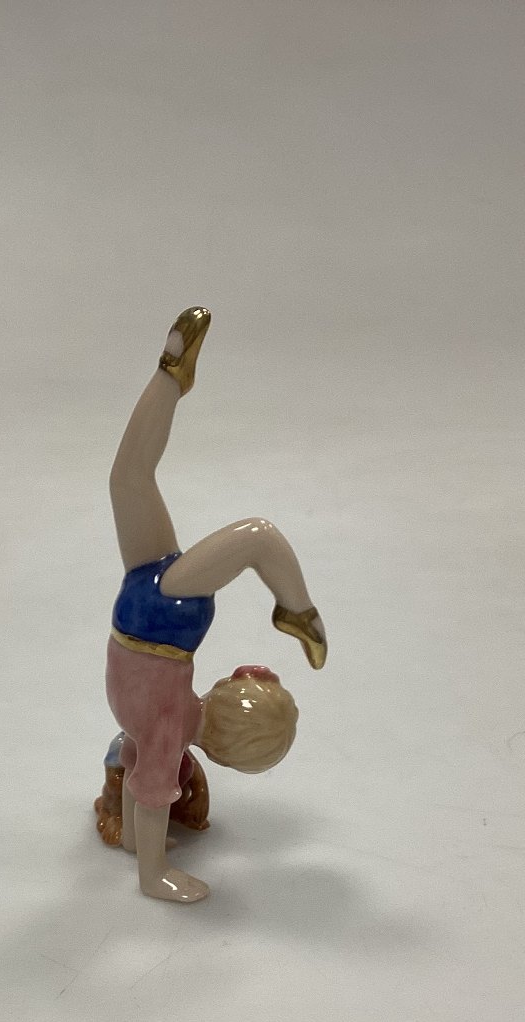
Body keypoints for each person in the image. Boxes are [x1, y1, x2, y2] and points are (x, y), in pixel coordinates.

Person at [105, 307, 327, 903]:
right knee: (129, 479)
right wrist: (135, 843)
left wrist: (151, 868)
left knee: (255, 536)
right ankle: (172, 372)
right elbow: (141, 779)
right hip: (148, 619)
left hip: (158, 620)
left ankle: (297, 611)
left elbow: (150, 793)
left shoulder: (168, 730)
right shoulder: (166, 729)